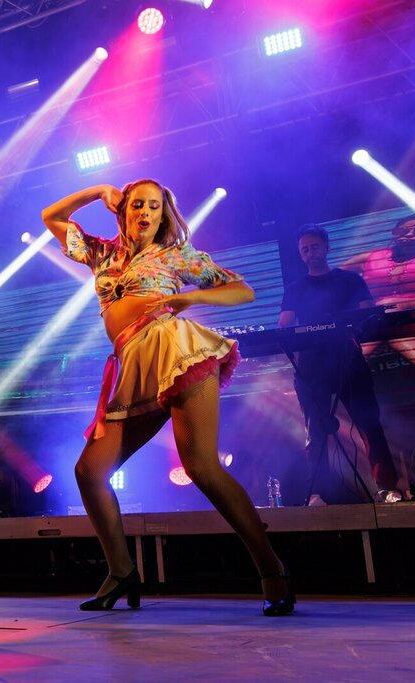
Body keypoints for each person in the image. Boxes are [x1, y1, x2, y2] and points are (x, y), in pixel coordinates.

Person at [43, 179, 292, 616]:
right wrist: (99, 190)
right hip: (133, 365)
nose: (144, 212)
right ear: (123, 210)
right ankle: (121, 572)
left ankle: (272, 571)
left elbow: (242, 289)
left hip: (176, 351)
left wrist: (190, 297)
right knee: (89, 471)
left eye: (154, 207)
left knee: (201, 467)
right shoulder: (102, 254)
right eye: (137, 204)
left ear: (163, 216)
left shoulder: (177, 255)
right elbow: (52, 216)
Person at [279, 225, 401, 504]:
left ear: (326, 247)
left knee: (369, 425)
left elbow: (368, 314)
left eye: (314, 247)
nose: (310, 253)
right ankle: (318, 493)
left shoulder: (350, 280)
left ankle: (387, 488)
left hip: (349, 360)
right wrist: (283, 333)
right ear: (300, 254)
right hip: (311, 366)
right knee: (315, 432)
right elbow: (285, 324)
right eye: (305, 249)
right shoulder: (295, 289)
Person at [342, 210, 415, 389]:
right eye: (403, 230)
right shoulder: (371, 257)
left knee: (387, 308)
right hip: (386, 312)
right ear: (395, 232)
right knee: (389, 316)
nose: (410, 235)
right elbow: (335, 279)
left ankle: (344, 371)